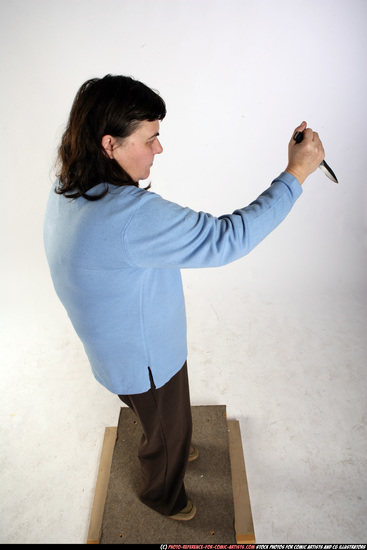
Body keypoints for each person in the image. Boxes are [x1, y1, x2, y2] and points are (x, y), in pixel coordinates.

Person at [43, 74, 325, 521]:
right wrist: (297, 173)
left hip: (112, 352)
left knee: (156, 416)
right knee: (169, 433)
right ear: (109, 144)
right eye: (151, 138)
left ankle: (166, 433)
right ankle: (163, 495)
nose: (159, 149)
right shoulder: (131, 218)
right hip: (148, 362)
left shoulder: (68, 187)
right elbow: (227, 239)